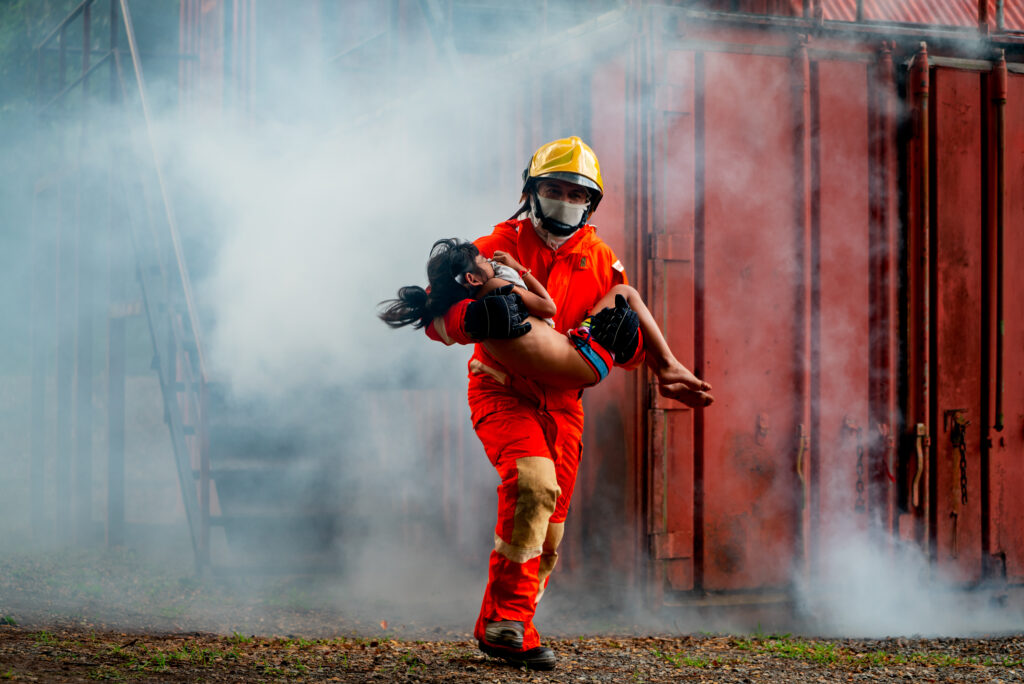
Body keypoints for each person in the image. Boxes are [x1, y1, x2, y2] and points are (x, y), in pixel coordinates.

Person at [404, 137, 712, 670]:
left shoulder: (600, 259)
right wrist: (469, 321)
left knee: (550, 524)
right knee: (532, 483)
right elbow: (434, 321)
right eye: (553, 188)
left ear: (590, 203)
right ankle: (506, 623)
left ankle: (510, 626)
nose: (565, 199)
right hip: (502, 389)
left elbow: (623, 339)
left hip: (566, 404)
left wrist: (649, 355)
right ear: (531, 192)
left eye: (576, 192)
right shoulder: (493, 246)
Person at [380, 238, 710, 397]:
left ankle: (664, 368)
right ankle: (667, 365)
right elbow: (548, 308)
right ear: (472, 279)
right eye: (482, 259)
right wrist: (519, 268)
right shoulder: (495, 287)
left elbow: (435, 307)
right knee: (626, 293)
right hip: (587, 357)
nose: (488, 259)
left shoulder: (462, 307)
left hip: (578, 372)